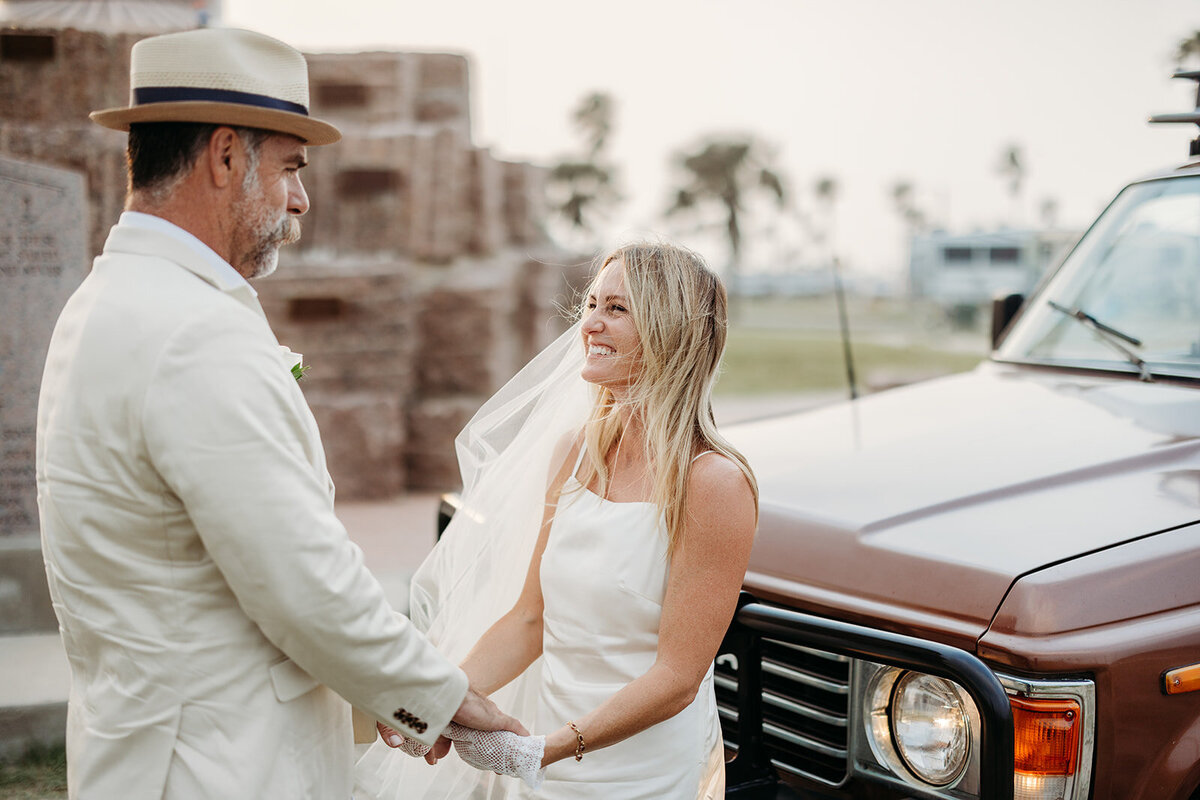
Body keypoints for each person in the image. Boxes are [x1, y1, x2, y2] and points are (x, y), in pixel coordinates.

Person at [35, 27, 522, 800]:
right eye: (290, 168)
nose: (302, 199)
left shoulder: (110, 299)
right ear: (225, 156)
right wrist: (439, 697)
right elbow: (298, 577)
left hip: (144, 751)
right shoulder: (191, 329)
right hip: (221, 764)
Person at [355, 242, 759, 799]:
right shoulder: (575, 452)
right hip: (546, 757)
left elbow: (677, 679)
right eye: (591, 304)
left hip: (638, 772)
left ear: (673, 330)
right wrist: (432, 701)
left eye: (617, 309)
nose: (589, 323)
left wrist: (539, 750)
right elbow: (529, 620)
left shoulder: (713, 483)